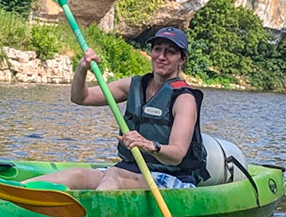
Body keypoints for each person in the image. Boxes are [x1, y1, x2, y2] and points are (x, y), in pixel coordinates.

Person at [37, 26, 205, 191]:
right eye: (157, 49)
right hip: (130, 170)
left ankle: (94, 212)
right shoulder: (133, 85)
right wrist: (82, 69)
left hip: (171, 178)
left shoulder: (184, 99)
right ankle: (18, 191)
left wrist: (148, 144)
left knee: (114, 175)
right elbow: (81, 98)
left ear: (182, 59)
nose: (161, 56)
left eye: (170, 52)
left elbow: (177, 154)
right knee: (77, 175)